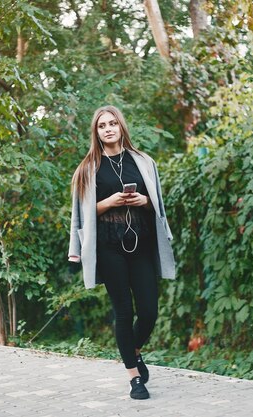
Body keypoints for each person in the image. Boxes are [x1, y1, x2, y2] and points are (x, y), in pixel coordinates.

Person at [68, 105, 176, 400]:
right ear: (97, 132)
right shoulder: (87, 168)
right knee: (123, 311)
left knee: (150, 311)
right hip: (108, 246)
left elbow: (159, 206)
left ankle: (135, 351)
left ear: (121, 127)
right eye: (102, 125)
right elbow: (80, 213)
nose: (108, 129)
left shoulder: (142, 161)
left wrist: (143, 200)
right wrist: (109, 202)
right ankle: (134, 378)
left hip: (141, 244)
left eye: (113, 123)